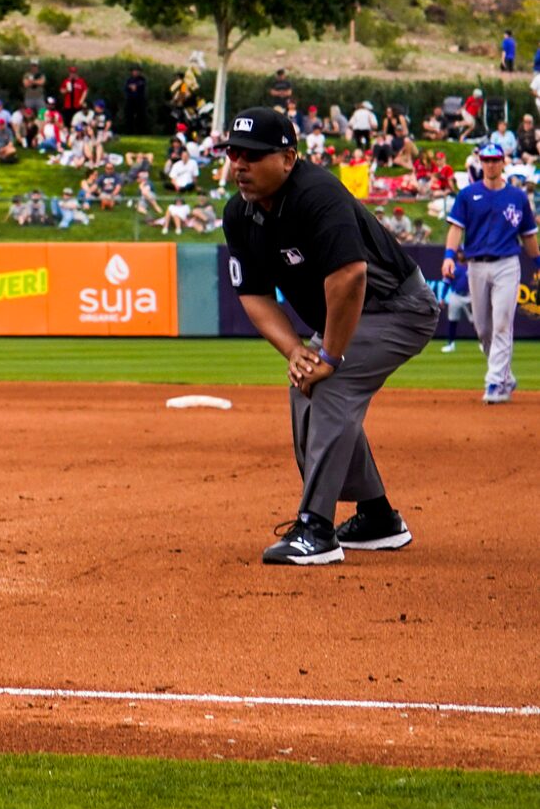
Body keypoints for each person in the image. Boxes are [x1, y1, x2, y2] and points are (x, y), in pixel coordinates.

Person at [221, 107, 436, 566]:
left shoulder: (317, 194)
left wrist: (331, 356)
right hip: (349, 316)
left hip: (398, 307)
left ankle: (315, 528)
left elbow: (351, 276)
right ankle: (378, 517)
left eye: (253, 155)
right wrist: (297, 350)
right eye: (234, 153)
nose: (240, 163)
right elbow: (253, 293)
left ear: (288, 158)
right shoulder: (239, 213)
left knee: (330, 383)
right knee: (305, 384)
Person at [442, 137, 535, 404]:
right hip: (475, 266)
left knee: (503, 324)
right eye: (486, 160)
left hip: (506, 263)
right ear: (480, 163)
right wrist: (449, 256)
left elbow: (528, 234)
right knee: (483, 329)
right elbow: (456, 228)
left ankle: (494, 383)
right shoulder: (468, 194)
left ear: (503, 162)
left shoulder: (517, 196)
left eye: (495, 160)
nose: (491, 164)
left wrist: (538, 262)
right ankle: (505, 375)